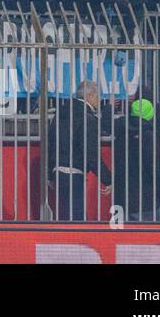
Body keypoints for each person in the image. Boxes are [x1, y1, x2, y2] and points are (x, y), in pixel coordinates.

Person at [44, 81, 111, 222]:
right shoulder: (88, 119)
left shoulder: (61, 113)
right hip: (74, 174)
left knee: (65, 217)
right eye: (98, 95)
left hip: (58, 173)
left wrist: (50, 173)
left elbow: (50, 142)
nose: (99, 99)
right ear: (89, 95)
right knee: (76, 220)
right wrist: (108, 179)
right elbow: (91, 154)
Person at [109, 98, 160, 223]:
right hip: (146, 199)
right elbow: (154, 168)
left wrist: (109, 106)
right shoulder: (149, 136)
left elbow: (105, 122)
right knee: (147, 238)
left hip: (121, 198)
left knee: (118, 238)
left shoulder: (119, 132)